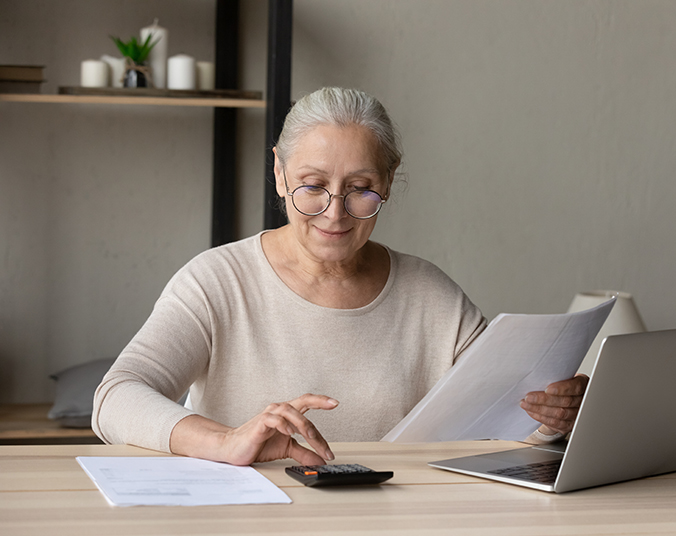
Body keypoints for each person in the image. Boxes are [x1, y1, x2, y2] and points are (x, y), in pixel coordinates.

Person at [92, 87, 588, 467]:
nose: (334, 213)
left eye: (360, 189)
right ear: (280, 174)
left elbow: (498, 425)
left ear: (389, 181)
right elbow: (116, 397)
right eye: (312, 186)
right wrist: (224, 441)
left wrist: (554, 417)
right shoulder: (217, 281)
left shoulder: (431, 295)